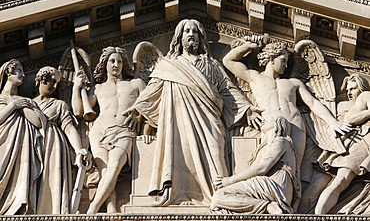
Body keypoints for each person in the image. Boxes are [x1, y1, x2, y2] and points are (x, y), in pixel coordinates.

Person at [123, 19, 262, 206]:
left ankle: (220, 198)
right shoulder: (168, 65)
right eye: (186, 31)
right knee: (180, 158)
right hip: (178, 123)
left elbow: (228, 89)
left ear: (200, 37)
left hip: (210, 121)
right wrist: (138, 109)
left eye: (194, 32)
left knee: (216, 158)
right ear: (179, 38)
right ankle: (179, 194)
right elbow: (153, 89)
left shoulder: (211, 65)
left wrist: (247, 109)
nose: (191, 35)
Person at [222, 41, 351, 211]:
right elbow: (228, 61)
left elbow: (312, 103)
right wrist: (249, 46)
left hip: (296, 126)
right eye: (282, 60)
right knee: (267, 163)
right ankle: (270, 203)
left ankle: (292, 206)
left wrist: (333, 122)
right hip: (272, 127)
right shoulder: (255, 77)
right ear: (271, 59)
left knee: (293, 168)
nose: (285, 65)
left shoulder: (293, 83)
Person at [73, 47, 146, 214]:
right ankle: (111, 209)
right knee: (105, 170)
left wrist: (139, 114)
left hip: (124, 130)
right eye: (112, 61)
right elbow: (78, 111)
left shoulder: (136, 84)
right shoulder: (97, 89)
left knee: (114, 166)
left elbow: (153, 103)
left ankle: (93, 208)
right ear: (104, 64)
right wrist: (77, 88)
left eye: (119, 61)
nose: (116, 65)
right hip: (99, 130)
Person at [300, 74, 370, 214]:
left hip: (361, 144)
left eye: (353, 89)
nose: (349, 93)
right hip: (360, 144)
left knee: (338, 182)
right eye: (348, 90)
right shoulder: (366, 96)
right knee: (341, 180)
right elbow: (350, 119)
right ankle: (317, 215)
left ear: (361, 86)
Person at [210, 116, 298, 214]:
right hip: (272, 187)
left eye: (268, 119)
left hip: (275, 187)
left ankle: (267, 205)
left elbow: (263, 168)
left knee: (219, 196)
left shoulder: (281, 141)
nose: (264, 120)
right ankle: (267, 205)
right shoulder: (269, 145)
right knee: (219, 200)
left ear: (277, 125)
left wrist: (229, 181)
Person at [33, 66, 90, 214]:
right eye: (52, 81)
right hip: (30, 148)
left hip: (53, 148)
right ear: (41, 79)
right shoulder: (27, 103)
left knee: (51, 184)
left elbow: (69, 128)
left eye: (58, 83)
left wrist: (78, 150)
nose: (55, 86)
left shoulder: (59, 105)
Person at [0, 59, 45, 214]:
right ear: (8, 72)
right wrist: (13, 105)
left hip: (21, 151)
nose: (24, 75)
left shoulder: (27, 102)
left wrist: (17, 104)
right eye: (19, 70)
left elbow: (38, 122)